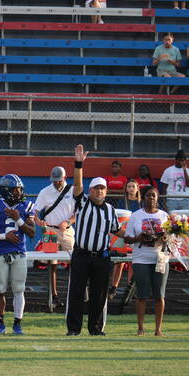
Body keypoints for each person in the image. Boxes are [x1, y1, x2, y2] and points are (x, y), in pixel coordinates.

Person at [66, 144, 122, 336]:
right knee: (76, 292)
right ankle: (74, 329)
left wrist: (135, 237)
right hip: (82, 254)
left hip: (101, 257)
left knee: (99, 295)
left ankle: (96, 329)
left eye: (102, 189)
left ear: (106, 192)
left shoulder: (110, 210)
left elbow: (117, 230)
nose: (99, 191)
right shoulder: (82, 203)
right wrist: (79, 164)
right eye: (96, 188)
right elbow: (77, 185)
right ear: (90, 191)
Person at [0, 174, 36, 335]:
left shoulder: (26, 206)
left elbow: (32, 232)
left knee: (19, 289)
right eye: (16, 189)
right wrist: (3, 236)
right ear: (6, 190)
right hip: (0, 252)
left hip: (19, 253)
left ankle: (17, 324)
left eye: (20, 189)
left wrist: (18, 219)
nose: (19, 193)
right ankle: (0, 324)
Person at [122, 186, 170, 336]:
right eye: (148, 195)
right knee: (142, 295)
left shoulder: (164, 215)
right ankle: (140, 328)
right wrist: (139, 238)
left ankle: (158, 329)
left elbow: (170, 235)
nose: (151, 198)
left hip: (160, 258)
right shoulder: (136, 216)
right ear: (143, 198)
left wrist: (165, 237)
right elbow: (127, 239)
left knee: (159, 295)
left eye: (154, 196)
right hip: (141, 258)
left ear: (158, 198)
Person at [33, 166, 75, 309]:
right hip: (50, 230)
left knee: (75, 262)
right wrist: (39, 222)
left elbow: (78, 213)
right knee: (52, 263)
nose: (56, 183)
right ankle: (54, 295)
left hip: (67, 230)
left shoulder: (72, 190)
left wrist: (68, 221)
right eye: (54, 181)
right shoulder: (45, 192)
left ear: (65, 178)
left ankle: (77, 291)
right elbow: (35, 212)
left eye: (59, 180)